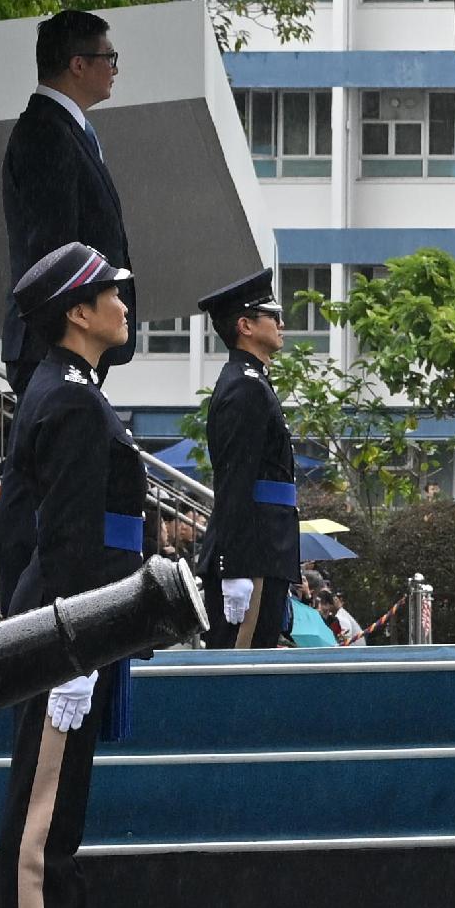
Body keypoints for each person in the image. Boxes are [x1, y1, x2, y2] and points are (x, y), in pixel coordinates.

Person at [0, 244, 149, 908]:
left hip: (82, 619)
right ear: (77, 314)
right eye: (111, 294)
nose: (125, 303)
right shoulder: (68, 397)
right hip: (72, 623)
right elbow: (63, 539)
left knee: (67, 800)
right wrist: (71, 644)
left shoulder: (72, 389)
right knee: (43, 803)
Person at [0, 13, 136, 389]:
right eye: (109, 58)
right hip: (55, 346)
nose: (115, 69)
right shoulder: (46, 132)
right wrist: (71, 336)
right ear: (78, 64)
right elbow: (54, 252)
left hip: (69, 342)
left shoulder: (67, 130)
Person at [194, 269, 300, 648]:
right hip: (251, 559)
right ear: (246, 326)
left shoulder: (253, 381)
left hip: (263, 551)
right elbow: (235, 479)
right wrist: (235, 569)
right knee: (240, 673)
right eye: (272, 315)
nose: (281, 323)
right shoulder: (244, 386)